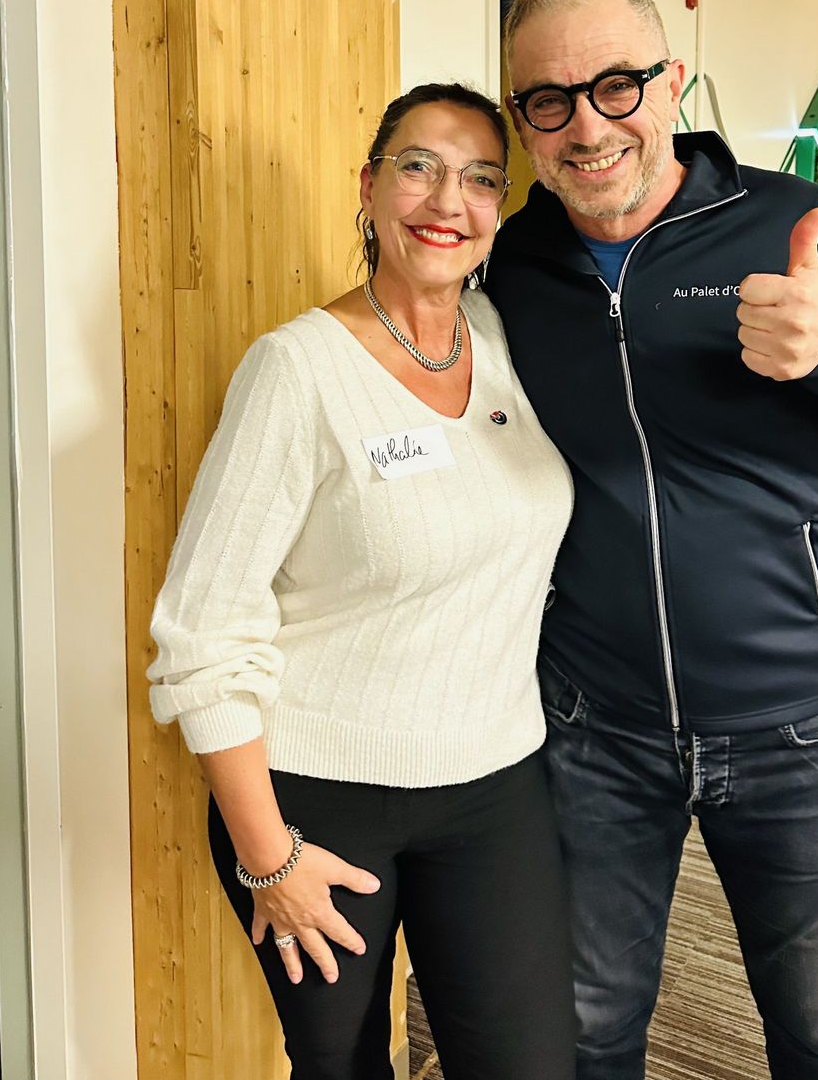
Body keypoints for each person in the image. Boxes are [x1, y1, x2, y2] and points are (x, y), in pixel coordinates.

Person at [485, 0, 818, 1080]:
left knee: (817, 1027)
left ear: (671, 81)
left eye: (616, 85)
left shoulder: (785, 221)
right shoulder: (513, 265)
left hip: (794, 716)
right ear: (522, 119)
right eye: (548, 101)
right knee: (587, 1029)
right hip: (593, 723)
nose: (587, 126)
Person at [147, 82, 577, 1080]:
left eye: (481, 178)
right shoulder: (296, 370)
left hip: (497, 779)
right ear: (369, 186)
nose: (448, 200)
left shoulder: (502, 341)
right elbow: (201, 633)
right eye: (418, 166)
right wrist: (270, 857)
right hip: (321, 795)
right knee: (341, 1064)